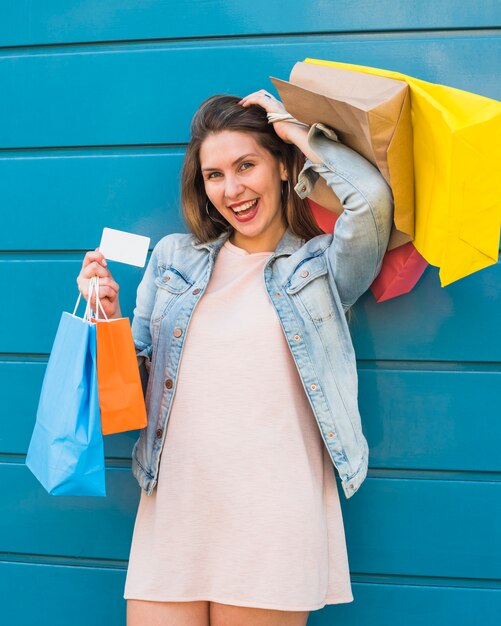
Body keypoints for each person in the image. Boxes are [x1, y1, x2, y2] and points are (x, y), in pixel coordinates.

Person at [77, 89, 393, 626]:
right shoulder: (174, 259)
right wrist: (105, 317)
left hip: (272, 516)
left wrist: (292, 129)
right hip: (176, 509)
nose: (233, 189)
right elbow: (128, 396)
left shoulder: (319, 268)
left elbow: (371, 202)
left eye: (247, 165)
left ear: (283, 167)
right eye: (215, 175)